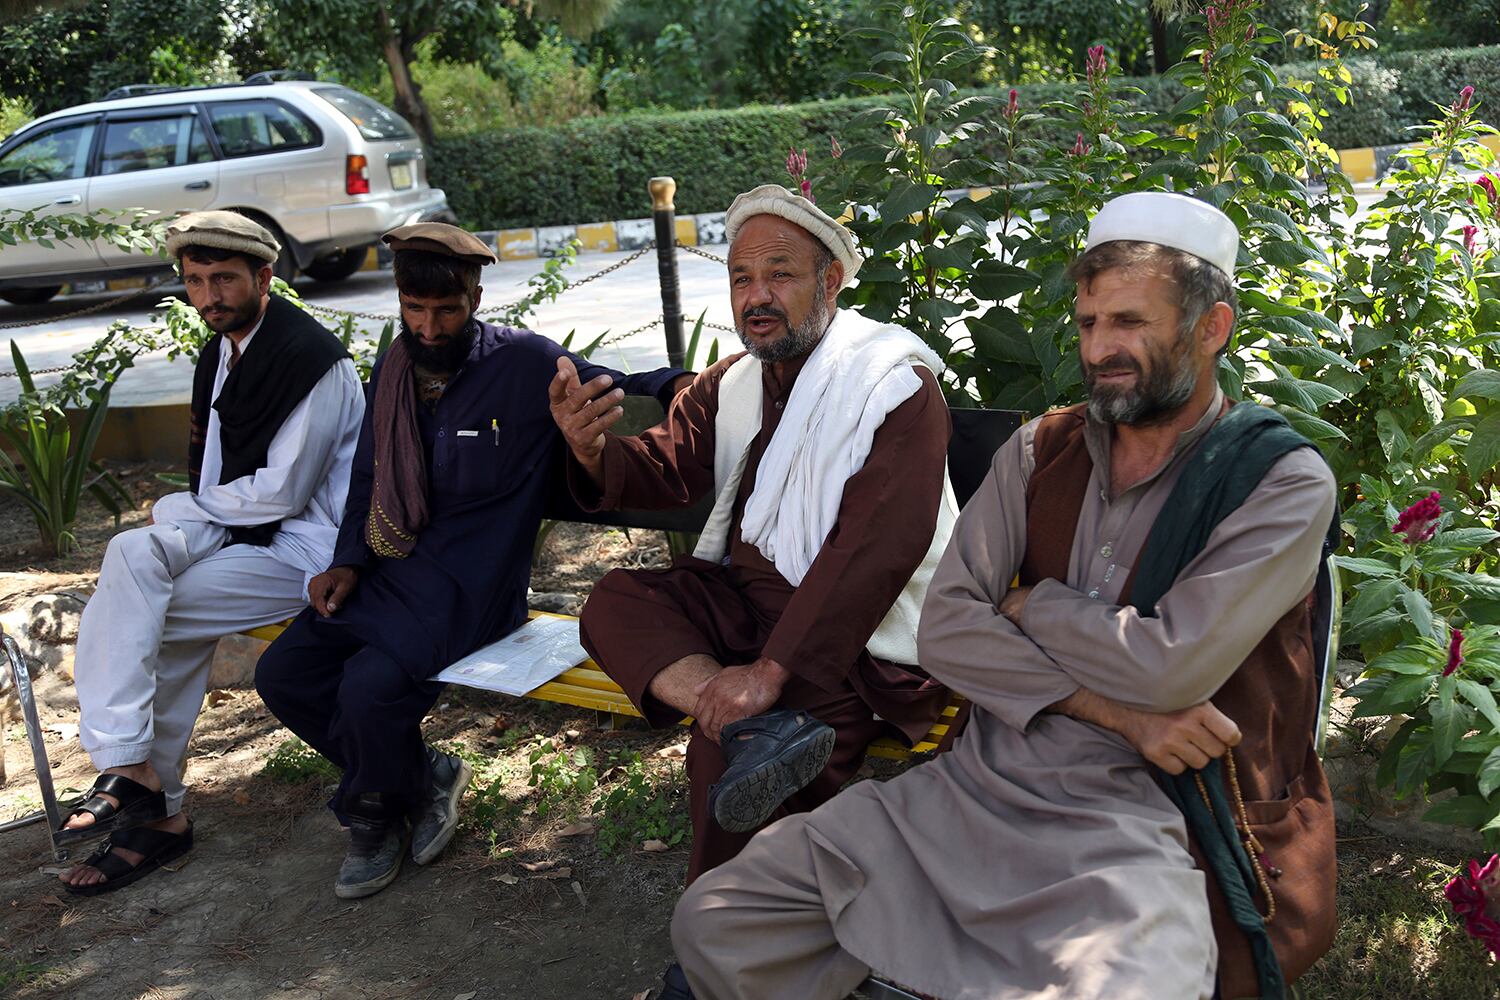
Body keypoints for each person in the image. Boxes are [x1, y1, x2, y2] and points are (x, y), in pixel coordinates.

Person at [670, 191, 1341, 1000]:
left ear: (1211, 329)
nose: (1102, 350)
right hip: (975, 787)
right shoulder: (1040, 451)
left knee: (1133, 987)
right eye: (1090, 324)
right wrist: (1117, 709)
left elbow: (1171, 669)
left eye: (1131, 323)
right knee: (721, 915)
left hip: (1144, 819)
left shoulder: (1279, 481)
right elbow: (947, 632)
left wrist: (1030, 605)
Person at [550, 185, 955, 1000]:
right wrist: (593, 453)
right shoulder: (734, 382)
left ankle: (714, 968)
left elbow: (870, 557)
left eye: (780, 274)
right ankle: (754, 748)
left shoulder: (892, 384)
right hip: (740, 610)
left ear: (831, 282)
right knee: (615, 601)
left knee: (720, 748)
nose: (756, 296)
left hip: (853, 642)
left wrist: (772, 673)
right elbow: (665, 465)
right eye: (740, 277)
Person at [254, 222, 690, 900]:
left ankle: (372, 815)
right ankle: (419, 775)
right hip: (391, 574)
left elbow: (620, 383)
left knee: (368, 690)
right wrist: (346, 561)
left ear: (476, 297)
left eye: (446, 310)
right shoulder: (394, 367)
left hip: (472, 590)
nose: (428, 327)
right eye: (414, 309)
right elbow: (369, 477)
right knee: (283, 673)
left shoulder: (522, 366)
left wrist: (696, 382)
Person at [58, 211, 365, 895]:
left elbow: (282, 493)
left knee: (148, 613)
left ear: (265, 276)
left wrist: (179, 508)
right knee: (131, 557)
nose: (208, 297)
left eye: (223, 279)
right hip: (233, 527)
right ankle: (134, 773)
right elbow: (220, 478)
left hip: (303, 550)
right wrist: (186, 512)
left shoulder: (313, 359)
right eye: (195, 282)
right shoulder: (224, 348)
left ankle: (151, 806)